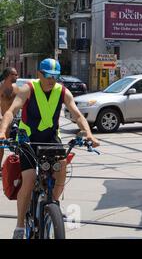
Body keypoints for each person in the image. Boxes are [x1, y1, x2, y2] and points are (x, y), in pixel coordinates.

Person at [0, 59, 100, 239]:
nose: (51, 79)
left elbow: (77, 115)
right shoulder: (28, 89)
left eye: (55, 76)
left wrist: (89, 134)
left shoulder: (63, 92)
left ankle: (51, 206)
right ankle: (20, 226)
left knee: (62, 167)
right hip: (27, 138)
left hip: (51, 138)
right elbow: (10, 111)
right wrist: (2, 132)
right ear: (39, 74)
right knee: (29, 179)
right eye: (47, 75)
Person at [0, 67, 19, 176]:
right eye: (15, 74)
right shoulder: (0, 87)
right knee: (1, 146)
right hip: (2, 122)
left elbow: (21, 104)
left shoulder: (16, 89)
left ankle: (18, 168)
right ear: (8, 76)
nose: (17, 76)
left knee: (19, 146)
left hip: (13, 122)